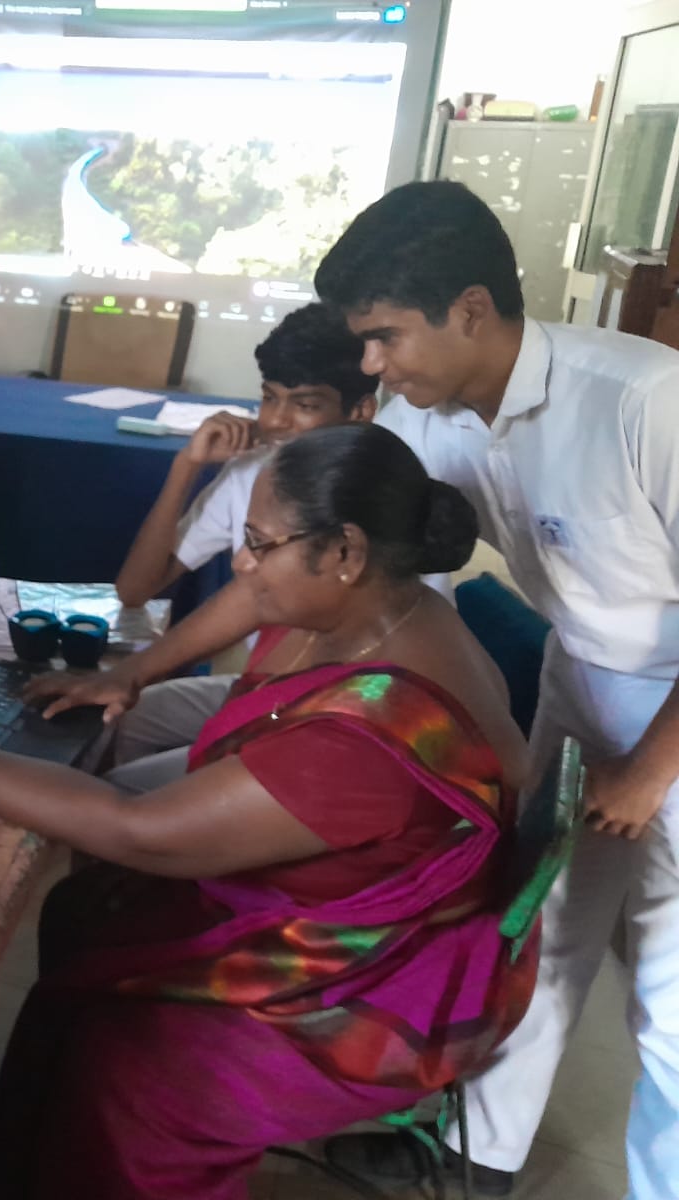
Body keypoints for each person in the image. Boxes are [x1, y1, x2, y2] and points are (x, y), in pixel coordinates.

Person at [0, 423, 533, 1200]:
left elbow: (140, 834)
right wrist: (129, 676)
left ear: (345, 551)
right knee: (82, 912)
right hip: (349, 909)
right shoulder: (379, 603)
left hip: (365, 982)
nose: (242, 562)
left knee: (124, 1060)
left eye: (259, 543)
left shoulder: (373, 732)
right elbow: (252, 596)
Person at [300, 181, 679, 1199]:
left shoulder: (644, 399)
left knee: (669, 996)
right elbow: (363, 564)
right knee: (539, 930)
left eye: (383, 337)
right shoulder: (432, 424)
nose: (371, 366)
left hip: (673, 714)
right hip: (577, 678)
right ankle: (477, 1160)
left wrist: (651, 770)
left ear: (469, 309)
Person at [107, 303, 379, 789]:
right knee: (115, 719)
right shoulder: (252, 472)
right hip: (266, 690)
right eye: (269, 398)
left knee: (123, 793)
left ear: (360, 412)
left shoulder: (379, 494)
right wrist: (186, 466)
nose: (277, 421)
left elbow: (259, 603)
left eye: (305, 405)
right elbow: (135, 590)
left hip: (345, 716)